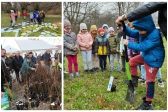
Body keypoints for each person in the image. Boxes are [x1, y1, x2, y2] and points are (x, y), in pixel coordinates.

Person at [122, 15, 165, 110]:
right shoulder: (143, 31)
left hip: (154, 60)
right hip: (146, 56)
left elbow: (143, 47)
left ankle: (148, 104)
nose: (139, 32)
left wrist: (128, 43)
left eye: (140, 29)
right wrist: (123, 25)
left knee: (149, 81)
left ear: (146, 26)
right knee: (131, 62)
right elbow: (131, 33)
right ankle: (134, 81)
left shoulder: (155, 35)